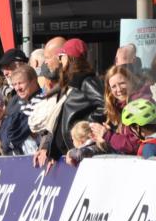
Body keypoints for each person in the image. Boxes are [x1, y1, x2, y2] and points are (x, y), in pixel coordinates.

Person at [34, 38, 105, 167]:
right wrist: (51, 151)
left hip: (79, 150)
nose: (60, 60)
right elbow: (59, 121)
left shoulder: (87, 81)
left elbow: (105, 106)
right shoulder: (70, 84)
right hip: (67, 153)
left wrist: (85, 124)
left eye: (62, 56)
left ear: (70, 58)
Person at [90, 64, 151, 156]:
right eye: (113, 86)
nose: (118, 89)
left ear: (131, 81)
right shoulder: (121, 107)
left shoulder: (140, 105)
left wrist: (108, 136)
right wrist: (106, 139)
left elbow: (134, 145)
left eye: (122, 83)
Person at [0, 64, 45, 155]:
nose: (17, 88)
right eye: (14, 84)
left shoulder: (42, 101)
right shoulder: (22, 102)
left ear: (33, 81)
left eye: (20, 83)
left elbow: (33, 133)